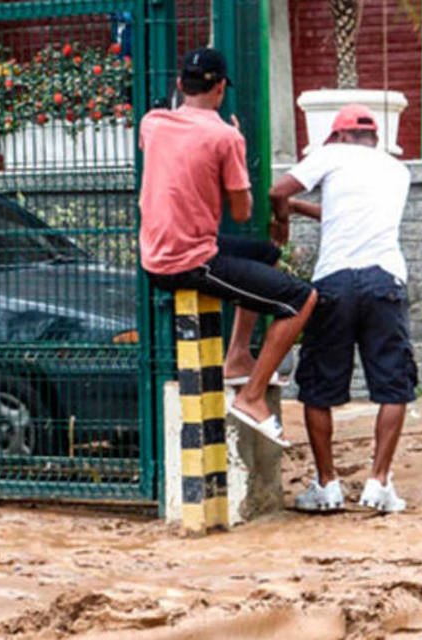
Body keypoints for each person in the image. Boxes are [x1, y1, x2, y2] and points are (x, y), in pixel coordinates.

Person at [138, 47, 317, 447]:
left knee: (265, 254)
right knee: (300, 298)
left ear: (181, 85)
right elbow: (241, 210)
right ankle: (251, 397)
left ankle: (237, 354)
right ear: (220, 89)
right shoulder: (224, 136)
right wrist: (233, 144)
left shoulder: (152, 123)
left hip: (155, 251)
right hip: (189, 260)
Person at [270, 104, 417, 513]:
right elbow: (351, 215)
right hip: (385, 280)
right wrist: (304, 210)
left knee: (318, 388)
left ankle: (327, 484)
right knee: (394, 384)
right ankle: (378, 482)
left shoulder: (330, 155)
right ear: (374, 140)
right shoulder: (397, 171)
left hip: (334, 283)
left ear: (337, 136)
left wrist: (282, 221)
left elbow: (277, 190)